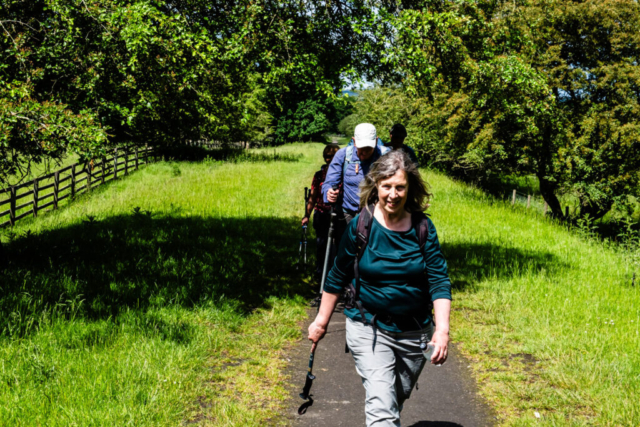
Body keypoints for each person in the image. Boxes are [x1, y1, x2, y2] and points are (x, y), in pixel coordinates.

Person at [308, 150, 452, 427]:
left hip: (414, 332)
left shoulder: (423, 228)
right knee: (383, 409)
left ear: (409, 189)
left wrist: (442, 331)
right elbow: (338, 275)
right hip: (368, 327)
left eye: (400, 187)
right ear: (376, 186)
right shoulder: (361, 225)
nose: (393, 194)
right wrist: (321, 322)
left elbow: (438, 280)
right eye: (386, 186)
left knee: (394, 398)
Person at [322, 123, 390, 235]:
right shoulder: (343, 155)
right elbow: (329, 182)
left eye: (368, 148)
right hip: (347, 215)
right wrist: (329, 192)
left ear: (376, 141)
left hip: (377, 215)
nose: (364, 152)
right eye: (361, 148)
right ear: (354, 141)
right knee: (347, 250)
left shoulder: (385, 156)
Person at [302, 144, 339, 282]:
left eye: (332, 156)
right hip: (321, 213)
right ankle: (320, 275)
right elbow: (312, 197)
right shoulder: (318, 176)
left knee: (337, 246)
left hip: (337, 214)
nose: (329, 159)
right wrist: (307, 215)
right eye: (327, 156)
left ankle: (335, 276)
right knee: (321, 245)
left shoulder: (342, 173)